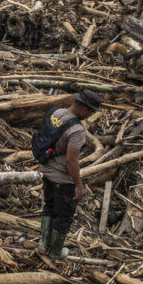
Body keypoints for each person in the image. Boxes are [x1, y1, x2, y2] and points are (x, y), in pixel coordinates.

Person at [36, 90, 102, 259]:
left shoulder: (55, 112)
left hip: (46, 170)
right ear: (85, 110)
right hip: (62, 179)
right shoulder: (77, 130)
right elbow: (71, 160)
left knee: (49, 206)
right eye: (92, 112)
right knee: (64, 216)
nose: (91, 115)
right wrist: (78, 186)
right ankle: (56, 251)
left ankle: (44, 245)